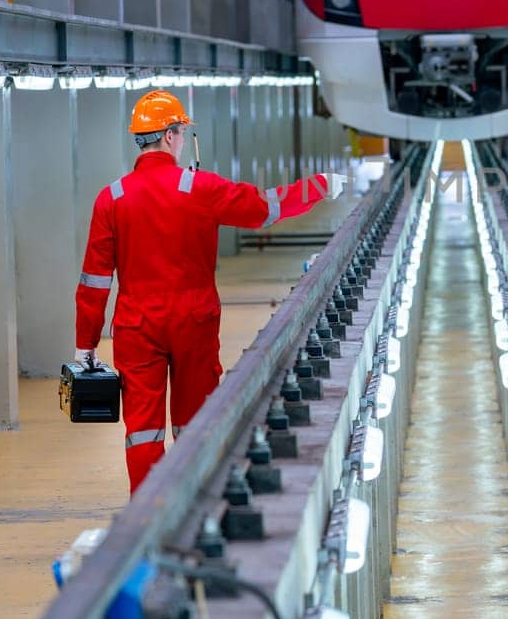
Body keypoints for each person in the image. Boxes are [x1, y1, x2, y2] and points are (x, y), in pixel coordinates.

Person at [75, 90, 347, 492]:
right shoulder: (199, 189)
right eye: (182, 133)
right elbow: (263, 207)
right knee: (195, 423)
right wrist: (320, 186)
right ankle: (193, 502)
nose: (183, 142)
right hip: (194, 322)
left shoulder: (111, 199)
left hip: (136, 327)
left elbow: (95, 280)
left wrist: (85, 345)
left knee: (143, 432)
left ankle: (148, 515)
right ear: (170, 135)